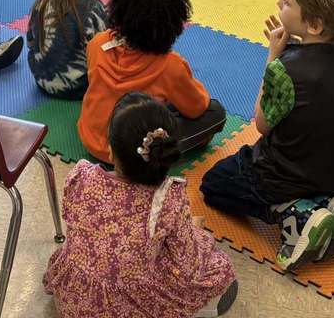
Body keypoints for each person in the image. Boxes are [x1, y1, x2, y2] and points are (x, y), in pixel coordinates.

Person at [200, 0, 334, 272]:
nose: (280, 2)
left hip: (276, 178)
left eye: (288, 1)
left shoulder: (284, 69)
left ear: (315, 25)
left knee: (213, 184)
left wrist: (272, 57)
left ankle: (293, 214)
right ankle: (325, 203)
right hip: (333, 175)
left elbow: (262, 124)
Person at [44, 93, 238, 318]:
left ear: (110, 150)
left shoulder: (81, 175)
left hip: (74, 301)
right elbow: (188, 266)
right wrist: (194, 232)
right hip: (128, 307)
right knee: (217, 264)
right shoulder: (168, 199)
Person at [78, 0, 226, 163]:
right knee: (216, 112)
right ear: (174, 21)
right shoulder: (170, 65)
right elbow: (197, 108)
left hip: (91, 138)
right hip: (132, 156)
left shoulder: (98, 43)